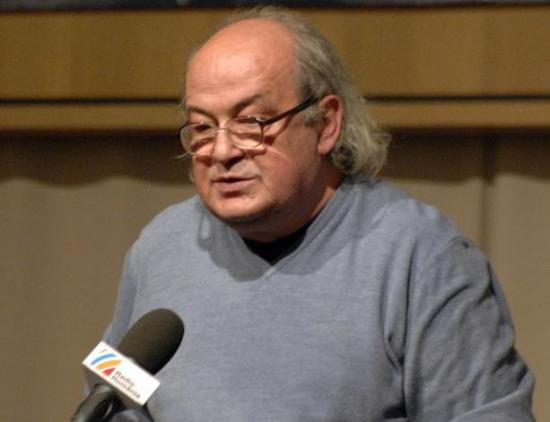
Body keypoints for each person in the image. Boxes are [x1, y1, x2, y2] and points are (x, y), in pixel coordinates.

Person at [106, 6, 535, 421]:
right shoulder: (160, 246)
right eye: (202, 126)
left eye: (251, 122)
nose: (221, 151)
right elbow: (112, 401)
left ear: (326, 123)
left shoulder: (422, 256)